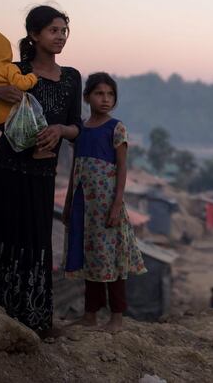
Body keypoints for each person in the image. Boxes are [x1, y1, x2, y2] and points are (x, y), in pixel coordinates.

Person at [0, 5, 81, 337]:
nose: (60, 36)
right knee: (5, 238)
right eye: (53, 30)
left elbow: (77, 126)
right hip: (8, 169)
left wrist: (60, 131)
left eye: (64, 30)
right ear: (34, 35)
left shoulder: (71, 78)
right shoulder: (11, 70)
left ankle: (34, 320)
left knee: (36, 241)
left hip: (42, 174)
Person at [62, 73, 147, 332]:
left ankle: (117, 318)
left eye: (110, 94)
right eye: (99, 93)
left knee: (111, 259)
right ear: (87, 97)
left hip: (107, 206)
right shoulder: (81, 129)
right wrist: (67, 203)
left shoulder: (116, 128)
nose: (105, 99)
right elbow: (75, 169)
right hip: (83, 205)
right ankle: (90, 315)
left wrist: (116, 205)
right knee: (90, 258)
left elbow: (122, 170)